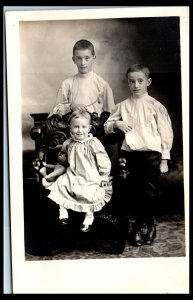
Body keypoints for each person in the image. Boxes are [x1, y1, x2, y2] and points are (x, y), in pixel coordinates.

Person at [104, 64, 173, 246]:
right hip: (130, 154)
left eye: (140, 81)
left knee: (149, 191)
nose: (136, 85)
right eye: (132, 81)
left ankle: (147, 225)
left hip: (151, 154)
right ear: (128, 83)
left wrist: (164, 158)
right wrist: (116, 125)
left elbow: (166, 133)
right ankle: (140, 224)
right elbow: (106, 125)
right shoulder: (123, 106)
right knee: (134, 190)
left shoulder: (156, 106)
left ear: (148, 82)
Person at [42, 110, 112, 232]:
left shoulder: (93, 143)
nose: (80, 130)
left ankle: (89, 216)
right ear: (70, 128)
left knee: (89, 192)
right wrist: (61, 157)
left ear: (89, 128)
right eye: (76, 127)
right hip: (73, 173)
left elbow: (103, 160)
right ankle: (63, 211)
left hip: (89, 174)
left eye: (83, 127)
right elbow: (63, 158)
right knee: (61, 184)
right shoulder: (68, 143)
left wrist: (104, 176)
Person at [50, 39, 115, 116]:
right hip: (74, 126)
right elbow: (56, 110)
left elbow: (112, 114)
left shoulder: (103, 85)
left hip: (96, 126)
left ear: (93, 57)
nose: (83, 63)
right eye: (79, 58)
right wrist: (71, 106)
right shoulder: (67, 84)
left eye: (87, 58)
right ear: (73, 60)